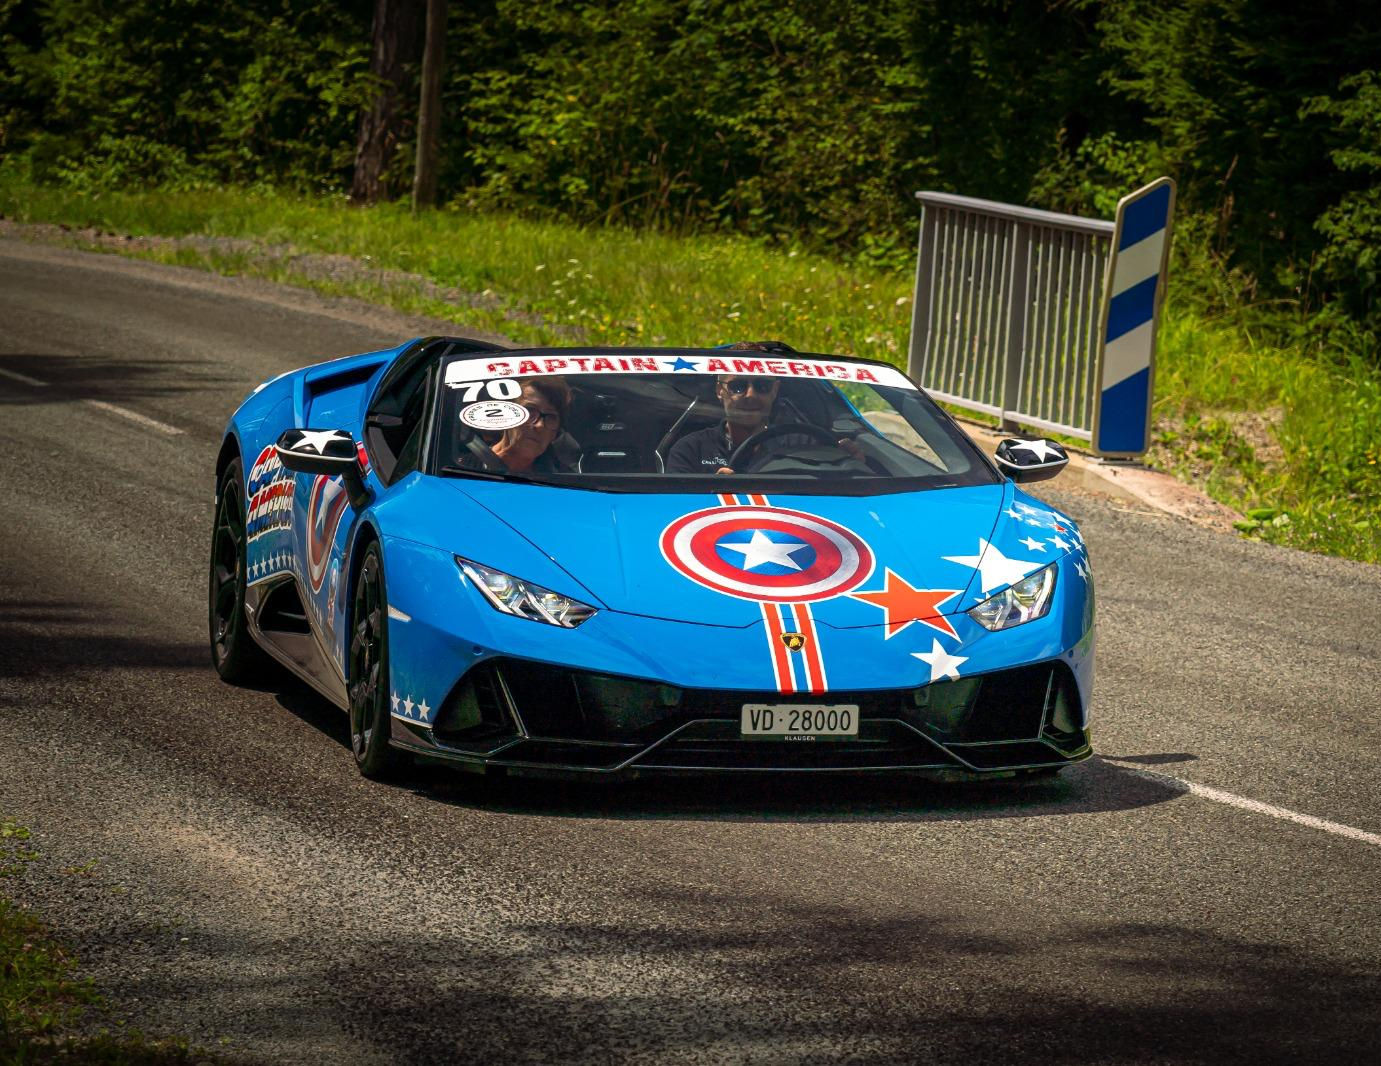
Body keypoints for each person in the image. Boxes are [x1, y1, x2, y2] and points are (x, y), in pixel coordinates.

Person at [469, 377, 572, 474]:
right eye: (529, 410)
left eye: (551, 417)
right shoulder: (462, 468)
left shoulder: (568, 484)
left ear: (555, 434)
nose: (540, 425)